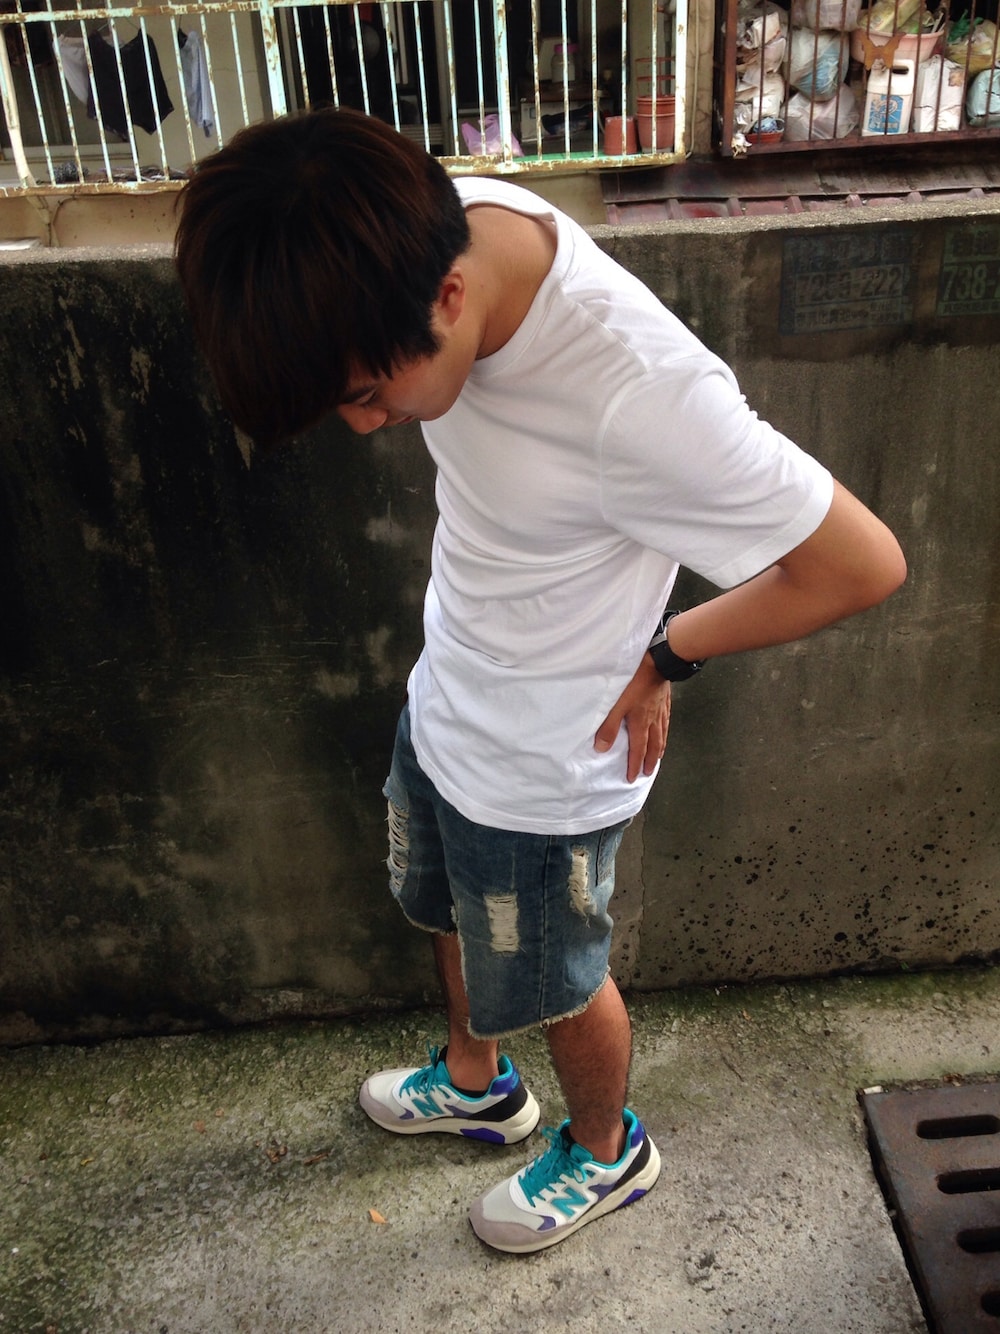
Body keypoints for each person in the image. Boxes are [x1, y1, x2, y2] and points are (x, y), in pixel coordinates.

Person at [174, 107, 906, 1255]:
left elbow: (861, 564)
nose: (362, 426)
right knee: (446, 912)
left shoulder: (639, 392)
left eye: (365, 392)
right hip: (450, 693)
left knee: (561, 980)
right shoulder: (437, 222)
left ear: (449, 297)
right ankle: (477, 1082)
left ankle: (606, 1149)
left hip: (552, 762)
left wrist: (668, 650)